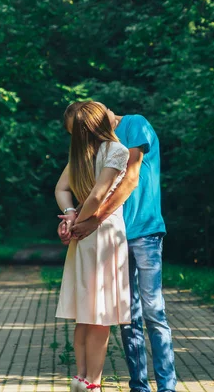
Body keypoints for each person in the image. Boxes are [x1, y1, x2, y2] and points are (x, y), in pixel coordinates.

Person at [58, 101, 177, 392]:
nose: (81, 137)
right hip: (112, 236)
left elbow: (130, 179)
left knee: (152, 310)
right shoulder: (96, 146)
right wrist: (75, 219)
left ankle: (167, 386)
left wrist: (91, 220)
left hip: (143, 230)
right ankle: (139, 385)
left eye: (82, 129)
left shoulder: (134, 124)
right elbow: (74, 185)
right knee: (127, 315)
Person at [54, 101, 131, 391]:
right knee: (101, 316)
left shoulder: (82, 155)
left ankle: (80, 375)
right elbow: (99, 197)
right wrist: (78, 222)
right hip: (104, 234)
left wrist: (71, 217)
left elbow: (61, 189)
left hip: (83, 238)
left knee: (86, 312)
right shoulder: (117, 151)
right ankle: (93, 383)